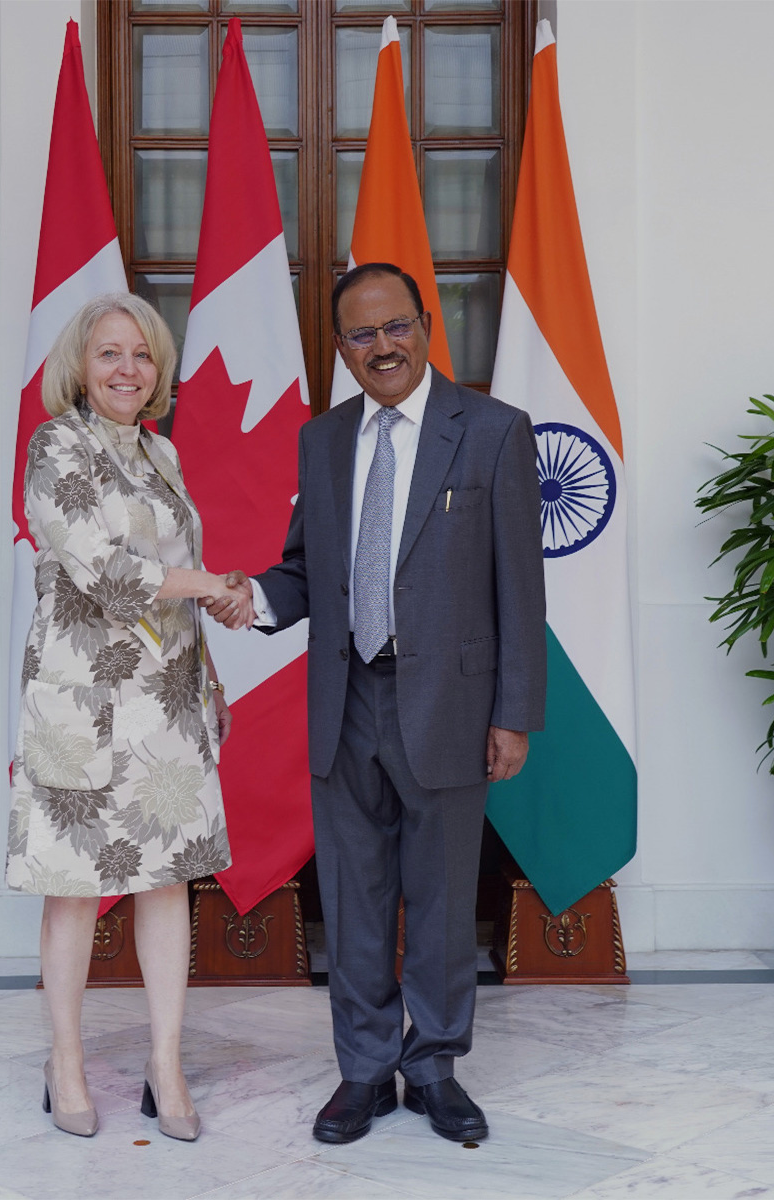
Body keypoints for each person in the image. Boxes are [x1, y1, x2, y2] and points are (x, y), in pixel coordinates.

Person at [234, 262, 546, 1145]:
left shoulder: (491, 432)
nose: (383, 347)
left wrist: (514, 712)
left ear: (425, 326)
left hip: (449, 704)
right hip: (346, 700)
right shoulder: (323, 440)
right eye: (362, 335)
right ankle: (364, 1072)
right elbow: (305, 568)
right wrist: (250, 599)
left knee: (444, 898)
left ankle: (435, 1066)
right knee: (354, 897)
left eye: (396, 327)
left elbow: (521, 589)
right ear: (341, 349)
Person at [6, 292, 253, 1142]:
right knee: (76, 888)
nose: (127, 369)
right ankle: (65, 1063)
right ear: (80, 364)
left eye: (142, 355)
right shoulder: (55, 444)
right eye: (110, 353)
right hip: (82, 698)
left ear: (159, 372)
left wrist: (211, 648)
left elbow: (176, 572)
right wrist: (209, 584)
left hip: (168, 701)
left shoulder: (163, 453)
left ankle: (165, 1062)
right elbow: (100, 568)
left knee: (167, 878)